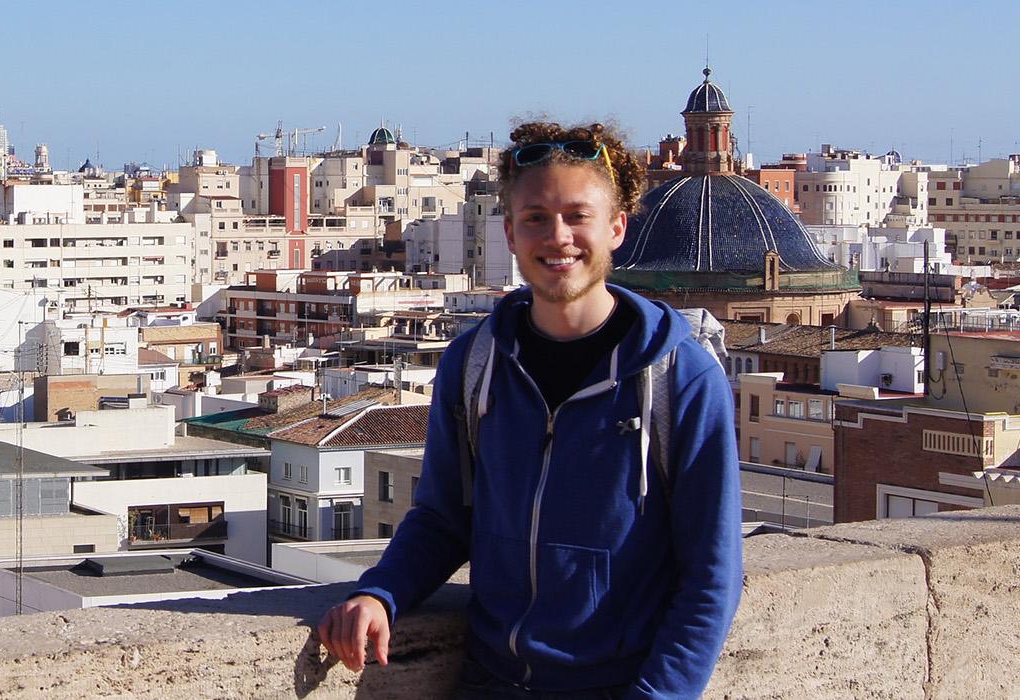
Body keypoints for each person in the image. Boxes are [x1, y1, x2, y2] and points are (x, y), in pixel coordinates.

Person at [317, 121, 742, 699]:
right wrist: (379, 592)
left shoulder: (678, 376)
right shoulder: (476, 364)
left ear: (617, 228)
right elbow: (444, 519)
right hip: (490, 684)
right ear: (511, 234)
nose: (558, 236)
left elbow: (711, 576)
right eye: (536, 218)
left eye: (577, 215)